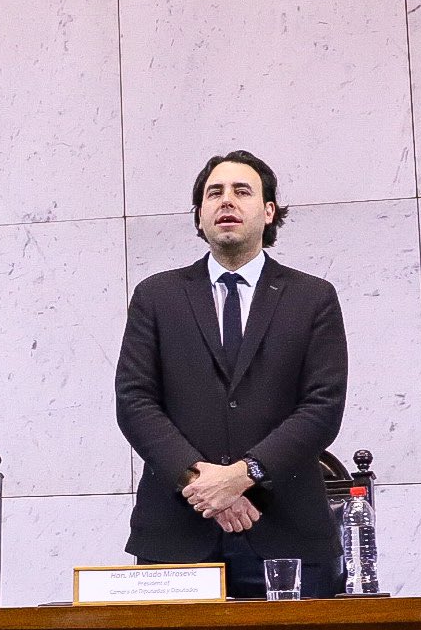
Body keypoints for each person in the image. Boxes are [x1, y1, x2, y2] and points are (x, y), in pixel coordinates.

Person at [115, 151, 349, 597]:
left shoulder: (313, 298)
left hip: (285, 530)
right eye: (214, 193)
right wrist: (201, 483)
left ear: (268, 211)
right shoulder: (156, 296)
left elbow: (322, 408)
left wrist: (245, 475)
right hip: (176, 532)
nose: (227, 201)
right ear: (199, 216)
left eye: (242, 191)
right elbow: (134, 400)